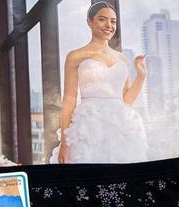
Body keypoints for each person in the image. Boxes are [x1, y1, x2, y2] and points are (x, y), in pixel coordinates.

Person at [50, 1, 147, 164]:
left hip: (120, 128)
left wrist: (141, 76)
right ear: (90, 22)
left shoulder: (122, 58)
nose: (109, 25)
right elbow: (69, 99)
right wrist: (65, 143)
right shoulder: (75, 56)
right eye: (102, 19)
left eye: (113, 21)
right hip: (88, 127)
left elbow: (125, 100)